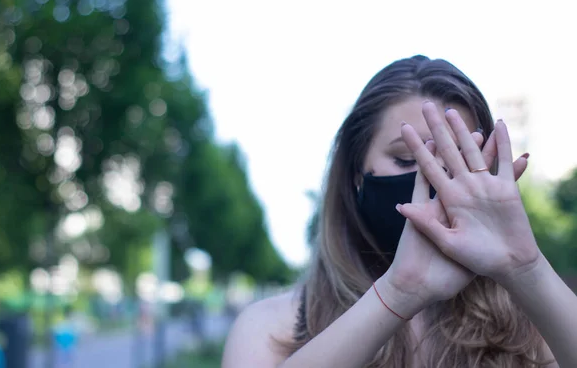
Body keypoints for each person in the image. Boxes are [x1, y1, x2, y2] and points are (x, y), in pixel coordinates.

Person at [221, 55, 577, 367]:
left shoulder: (531, 325)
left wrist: (525, 268)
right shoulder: (271, 326)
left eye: (456, 158)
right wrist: (399, 292)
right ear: (355, 172)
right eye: (407, 158)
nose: (431, 175)